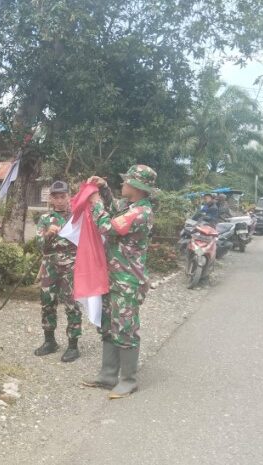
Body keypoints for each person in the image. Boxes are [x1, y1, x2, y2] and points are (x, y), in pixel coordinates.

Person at [82, 165, 156, 398]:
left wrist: (95, 202)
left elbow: (108, 226)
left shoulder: (140, 213)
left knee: (125, 327)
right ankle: (108, 375)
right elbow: (115, 210)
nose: (122, 184)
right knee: (108, 324)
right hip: (113, 276)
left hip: (127, 280)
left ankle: (128, 380)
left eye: (125, 182)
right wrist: (104, 190)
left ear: (136, 187)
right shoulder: (130, 207)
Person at [34, 180, 83, 363]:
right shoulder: (45, 218)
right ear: (51, 199)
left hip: (71, 266)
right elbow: (38, 244)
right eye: (56, 197)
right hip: (50, 266)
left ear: (68, 197)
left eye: (63, 196)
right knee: (47, 302)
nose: (60, 200)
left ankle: (73, 345)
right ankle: (49, 341)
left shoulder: (76, 217)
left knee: (72, 304)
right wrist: (47, 234)